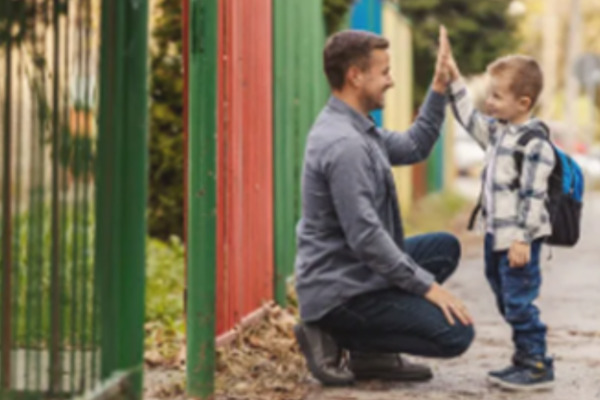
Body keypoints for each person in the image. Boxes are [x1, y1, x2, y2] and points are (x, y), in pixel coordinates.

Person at [293, 26, 474, 387]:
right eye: (385, 72)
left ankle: (370, 357)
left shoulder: (358, 129)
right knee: (455, 334)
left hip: (355, 271)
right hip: (340, 290)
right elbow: (366, 237)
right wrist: (427, 287)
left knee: (444, 248)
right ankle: (330, 331)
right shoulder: (344, 144)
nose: (391, 81)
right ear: (355, 76)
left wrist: (439, 87)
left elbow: (414, 146)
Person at [444, 34, 555, 390]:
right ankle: (523, 358)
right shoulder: (499, 133)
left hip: (518, 240)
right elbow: (467, 116)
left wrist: (523, 239)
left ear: (523, 102)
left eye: (496, 96)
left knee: (520, 302)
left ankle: (537, 364)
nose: (488, 102)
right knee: (507, 299)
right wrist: (454, 77)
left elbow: (534, 196)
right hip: (496, 236)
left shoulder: (534, 144)